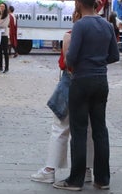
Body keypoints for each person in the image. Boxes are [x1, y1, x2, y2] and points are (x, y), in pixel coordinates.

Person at [54, 0, 120, 191]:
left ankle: (76, 179)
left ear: (79, 3)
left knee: (79, 130)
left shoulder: (81, 25)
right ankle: (102, 178)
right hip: (101, 80)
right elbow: (114, 56)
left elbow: (70, 57)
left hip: (82, 79)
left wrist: (78, 63)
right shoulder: (107, 25)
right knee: (100, 129)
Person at [31, 11, 93, 184]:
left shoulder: (70, 35)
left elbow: (67, 62)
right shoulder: (98, 33)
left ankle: (50, 169)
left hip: (71, 81)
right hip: (91, 81)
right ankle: (87, 169)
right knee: (87, 128)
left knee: (60, 125)